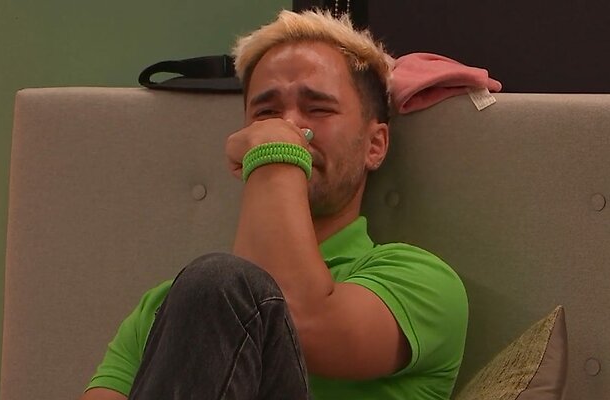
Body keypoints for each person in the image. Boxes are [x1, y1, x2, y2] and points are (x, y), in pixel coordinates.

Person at [81, 9, 468, 400]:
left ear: (375, 145)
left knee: (222, 286)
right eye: (266, 114)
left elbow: (282, 313)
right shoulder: (168, 305)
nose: (289, 126)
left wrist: (276, 152)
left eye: (318, 108)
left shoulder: (421, 282)